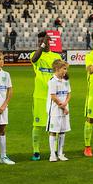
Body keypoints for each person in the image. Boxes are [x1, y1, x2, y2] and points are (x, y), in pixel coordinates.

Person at [29, 31, 62, 161]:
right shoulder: (35, 54)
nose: (40, 43)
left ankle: (54, 150)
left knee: (54, 124)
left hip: (54, 96)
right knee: (37, 124)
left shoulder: (56, 56)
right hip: (39, 96)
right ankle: (36, 151)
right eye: (39, 42)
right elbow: (34, 59)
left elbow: (63, 73)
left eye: (42, 41)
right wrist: (42, 45)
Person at [47, 60, 71, 162]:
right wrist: (64, 107)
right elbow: (53, 97)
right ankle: (52, 154)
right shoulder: (52, 81)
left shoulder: (66, 81)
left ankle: (60, 153)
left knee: (62, 131)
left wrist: (66, 103)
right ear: (57, 69)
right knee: (53, 132)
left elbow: (69, 93)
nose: (65, 71)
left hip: (64, 110)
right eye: (64, 68)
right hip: (55, 111)